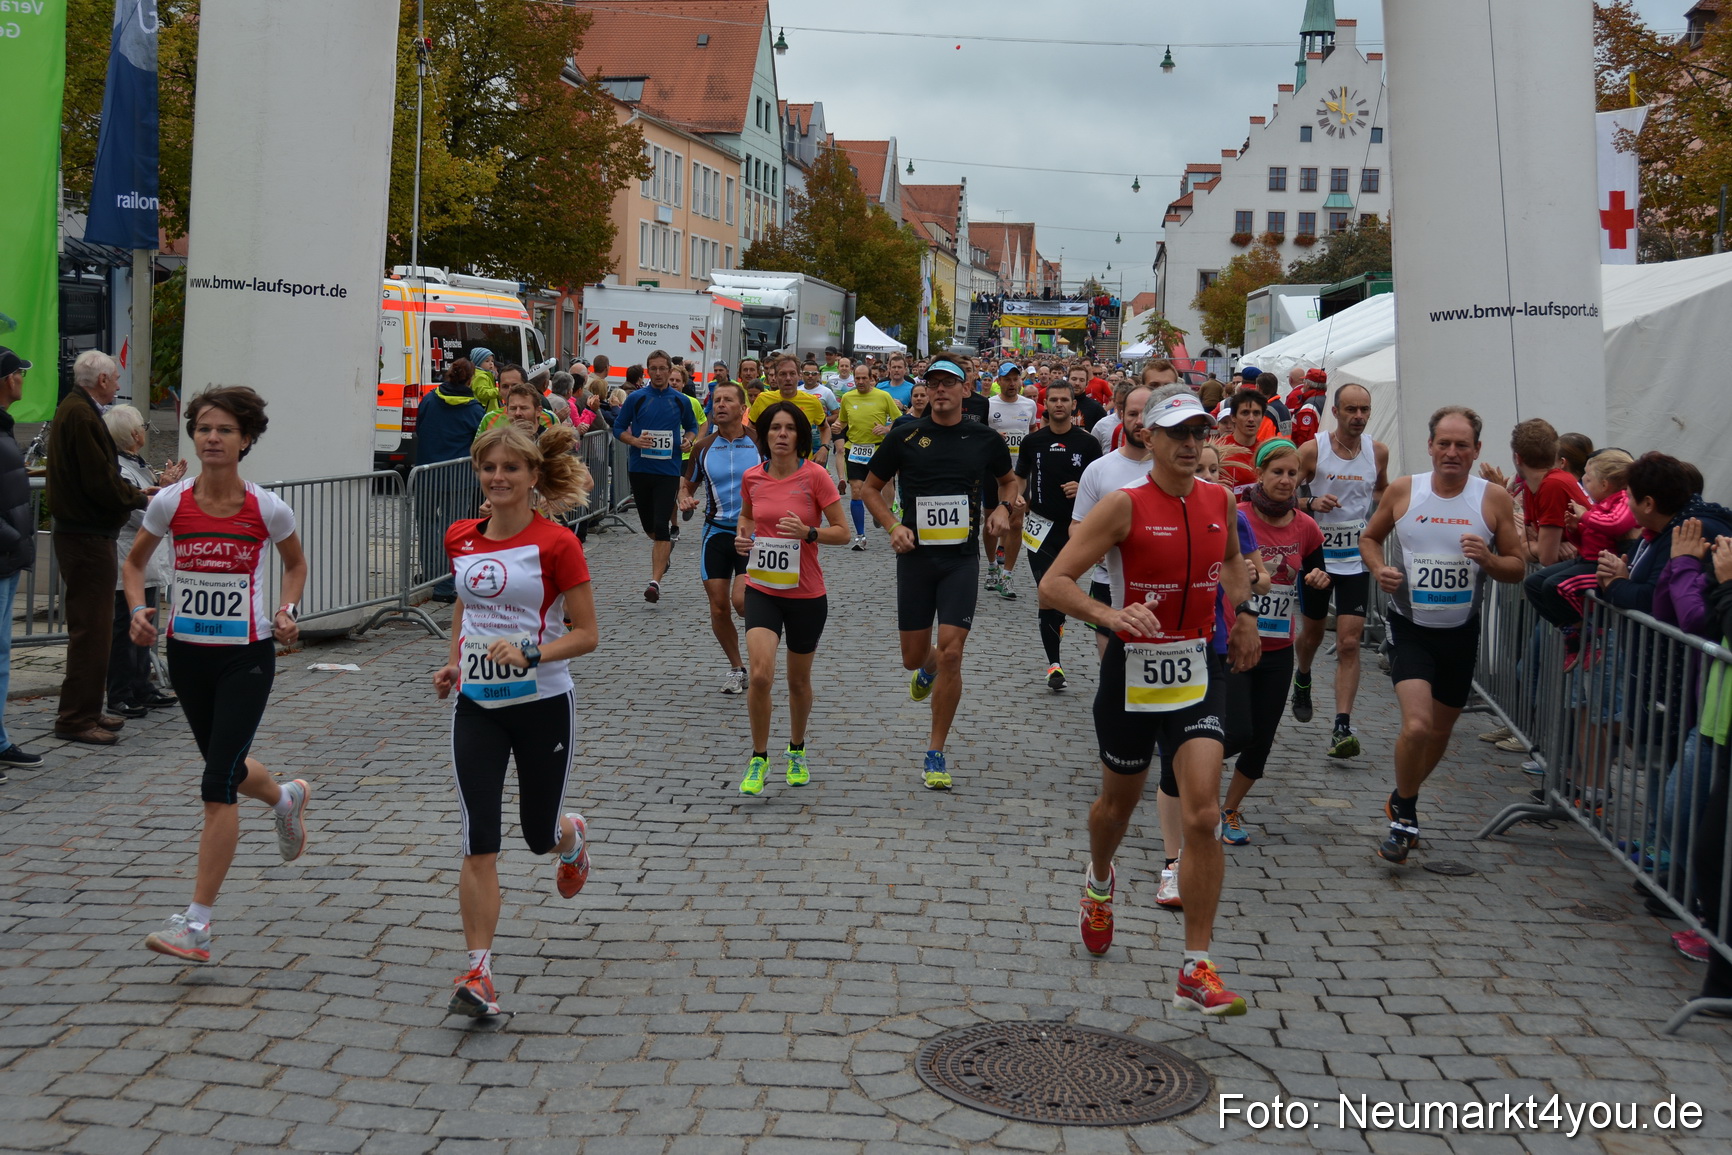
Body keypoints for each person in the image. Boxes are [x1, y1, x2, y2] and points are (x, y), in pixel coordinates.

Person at [1038, 387, 1260, 1015]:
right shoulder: (1123, 505)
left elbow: (1233, 560)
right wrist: (1111, 615)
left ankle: (1196, 966)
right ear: (1149, 437)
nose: (1191, 444)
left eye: (1199, 433)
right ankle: (1099, 882)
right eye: (1177, 433)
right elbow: (1053, 584)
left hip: (1198, 669)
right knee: (1116, 807)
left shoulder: (1220, 499)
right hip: (1132, 674)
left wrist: (1243, 613)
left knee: (1202, 814)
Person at [125, 386, 311, 963]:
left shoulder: (268, 508)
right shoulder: (170, 503)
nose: (212, 438)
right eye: (204, 428)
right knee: (224, 765)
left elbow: (296, 565)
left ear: (246, 439)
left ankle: (197, 924)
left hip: (245, 657)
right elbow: (133, 563)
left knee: (217, 785)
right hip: (187, 654)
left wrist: (288, 610)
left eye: (225, 430)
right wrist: (136, 610)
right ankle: (284, 798)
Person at [432, 423, 598, 1017]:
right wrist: (455, 661)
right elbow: (466, 601)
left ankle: (570, 839)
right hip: (477, 705)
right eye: (488, 467)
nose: (497, 477)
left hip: (543, 704)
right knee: (478, 837)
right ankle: (479, 973)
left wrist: (532, 653)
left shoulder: (557, 544)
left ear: (533, 477)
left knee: (537, 833)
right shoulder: (460, 536)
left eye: (510, 468)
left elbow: (588, 634)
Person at [1360, 406, 1525, 865]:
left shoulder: (1492, 499)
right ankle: (1404, 821)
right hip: (1409, 627)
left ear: (1476, 450)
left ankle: (1403, 795)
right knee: (1417, 725)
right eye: (1444, 443)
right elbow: (1369, 538)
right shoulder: (1404, 490)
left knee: (1438, 731)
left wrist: (1489, 561)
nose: (1452, 452)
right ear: (1430, 445)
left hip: (1460, 633)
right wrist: (1379, 569)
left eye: (1462, 445)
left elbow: (1517, 566)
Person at [862, 358, 1016, 790]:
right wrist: (892, 526)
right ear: (926, 390)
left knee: (952, 653)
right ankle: (925, 668)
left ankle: (935, 751)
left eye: (949, 382)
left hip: (960, 559)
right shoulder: (904, 436)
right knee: (914, 657)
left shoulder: (984, 438)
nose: (940, 389)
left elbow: (1009, 481)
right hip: (916, 558)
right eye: (934, 383)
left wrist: (1004, 509)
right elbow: (869, 488)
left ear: (966, 390)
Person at [734, 402, 849, 795]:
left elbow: (842, 532)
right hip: (763, 588)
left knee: (798, 681)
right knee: (760, 674)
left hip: (806, 593)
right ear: (765, 435)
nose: (781, 434)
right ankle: (758, 757)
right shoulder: (752, 477)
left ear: (800, 436)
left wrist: (809, 532)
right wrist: (743, 536)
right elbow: (747, 517)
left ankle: (796, 748)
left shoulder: (815, 476)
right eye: (774, 428)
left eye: (789, 429)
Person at [1219, 440, 1329, 845]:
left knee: (1260, 739)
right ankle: (1187, 771)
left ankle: (1229, 810)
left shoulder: (1307, 527)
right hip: (1235, 639)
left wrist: (1319, 581)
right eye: (1277, 472)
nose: (1285, 480)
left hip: (1279, 648)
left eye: (1292, 473)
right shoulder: (1237, 515)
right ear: (1260, 473)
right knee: (1237, 730)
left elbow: (1318, 580)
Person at [46, 350, 154, 745]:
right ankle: (76, 718)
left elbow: (99, 476)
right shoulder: (80, 413)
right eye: (116, 378)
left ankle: (87, 711)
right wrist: (139, 497)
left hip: (88, 533)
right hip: (86, 536)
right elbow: (99, 480)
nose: (119, 384)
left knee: (96, 630)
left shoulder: (79, 410)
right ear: (103, 380)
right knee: (92, 632)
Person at [1292, 383, 1389, 757]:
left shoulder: (1377, 452)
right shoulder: (1312, 450)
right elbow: (1281, 493)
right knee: (1313, 635)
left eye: (1364, 409)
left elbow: (1381, 493)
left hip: (1354, 560)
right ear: (1335, 411)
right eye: (1351, 409)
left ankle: (1341, 726)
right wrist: (1312, 502)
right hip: (1317, 557)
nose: (1359, 416)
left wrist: (1383, 518)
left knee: (1349, 642)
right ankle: (1303, 675)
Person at [1015, 377, 1101, 689]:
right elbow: (1019, 476)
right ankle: (1054, 664)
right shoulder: (1033, 442)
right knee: (1046, 591)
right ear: (1046, 404)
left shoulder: (1088, 443)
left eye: (1065, 399)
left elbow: (1100, 484)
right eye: (1054, 400)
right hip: (1040, 526)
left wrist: (1083, 488)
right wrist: (1018, 497)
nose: (1059, 404)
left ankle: (1058, 621)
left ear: (1074, 404)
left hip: (1076, 530)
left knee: (1061, 593)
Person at [680, 382, 760, 695]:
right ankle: (737, 667)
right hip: (715, 532)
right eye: (717, 400)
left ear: (743, 409)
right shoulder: (703, 447)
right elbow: (687, 485)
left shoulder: (759, 442)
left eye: (728, 400)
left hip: (752, 534)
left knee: (741, 602)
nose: (720, 405)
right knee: (718, 607)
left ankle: (763, 649)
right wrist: (684, 498)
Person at [105, 405, 182, 718]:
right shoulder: (120, 468)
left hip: (146, 559)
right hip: (129, 555)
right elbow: (141, 513)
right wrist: (165, 489)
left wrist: (163, 485)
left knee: (145, 626)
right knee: (126, 629)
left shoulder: (136, 464)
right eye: (144, 427)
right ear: (133, 434)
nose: (145, 432)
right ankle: (120, 693)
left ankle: (142, 686)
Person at [1072, 385, 1155, 660]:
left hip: (1161, 585)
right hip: (1108, 582)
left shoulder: (1171, 469)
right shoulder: (1099, 469)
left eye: (1146, 413)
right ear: (1120, 413)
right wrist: (1093, 548)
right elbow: (1077, 525)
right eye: (1132, 414)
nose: (1139, 421)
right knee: (1112, 667)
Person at [612, 350, 700, 603]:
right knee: (650, 528)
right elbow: (618, 428)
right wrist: (634, 441)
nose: (659, 373)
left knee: (662, 526)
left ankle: (654, 583)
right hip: (640, 469)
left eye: (663, 368)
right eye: (654, 368)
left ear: (670, 370)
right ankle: (664, 553)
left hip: (668, 471)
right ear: (648, 370)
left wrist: (688, 440)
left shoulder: (680, 400)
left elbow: (692, 427)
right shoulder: (636, 398)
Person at [0, 348, 42, 775]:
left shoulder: (3, 425)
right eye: (19, 373)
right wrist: (13, 537)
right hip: (3, 553)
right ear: (7, 379)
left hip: (7, 559)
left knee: (1, 655)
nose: (22, 380)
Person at [985, 364, 1039, 599]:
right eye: (1007, 379)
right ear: (999, 381)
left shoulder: (1029, 405)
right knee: (991, 523)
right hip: (993, 472)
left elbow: (1032, 431)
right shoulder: (989, 405)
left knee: (1016, 523)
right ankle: (992, 567)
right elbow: (980, 435)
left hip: (1019, 472)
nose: (1012, 383)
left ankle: (1007, 575)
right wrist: (993, 437)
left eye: (1015, 379)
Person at [836, 362, 902, 550]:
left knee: (883, 484)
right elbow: (842, 421)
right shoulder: (847, 397)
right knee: (857, 490)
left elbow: (899, 420)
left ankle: (884, 512)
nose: (860, 381)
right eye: (857, 378)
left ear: (872, 379)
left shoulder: (883, 396)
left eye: (864, 378)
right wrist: (837, 427)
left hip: (878, 448)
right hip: (854, 449)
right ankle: (860, 536)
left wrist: (887, 428)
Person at [1213, 389, 1268, 493]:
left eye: (1256, 413)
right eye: (1245, 413)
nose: (1251, 419)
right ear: (1233, 417)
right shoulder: (1217, 449)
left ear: (1262, 417)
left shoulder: (1266, 451)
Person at [477, 380, 556, 439]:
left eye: (523, 408)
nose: (517, 413)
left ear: (538, 411)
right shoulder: (499, 443)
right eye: (513, 408)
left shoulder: (551, 442)